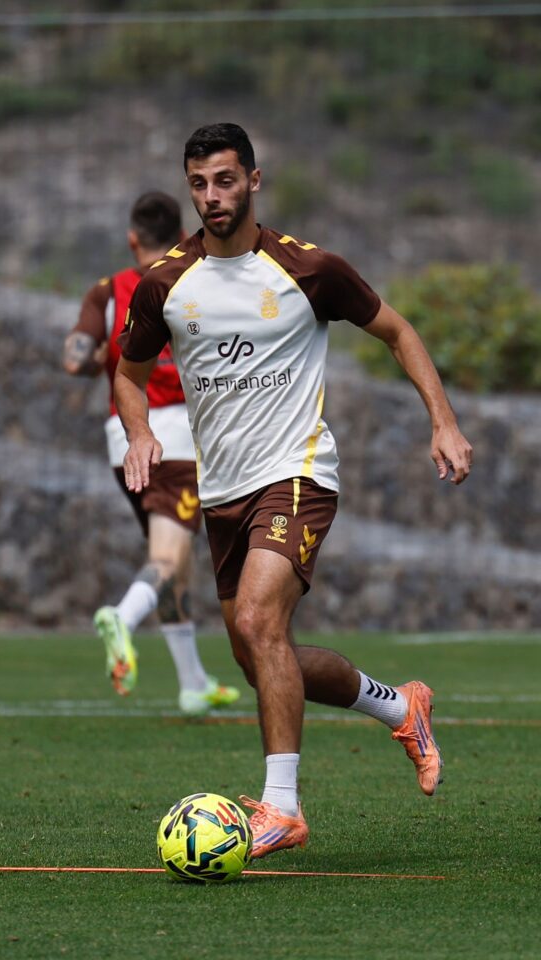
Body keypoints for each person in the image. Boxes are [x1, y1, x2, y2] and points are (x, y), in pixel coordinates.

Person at [114, 125, 473, 859]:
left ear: (254, 179)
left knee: (257, 620)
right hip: (223, 494)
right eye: (199, 184)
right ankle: (402, 707)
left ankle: (282, 809)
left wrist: (443, 420)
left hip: (298, 472)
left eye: (224, 180)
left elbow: (398, 332)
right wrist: (140, 432)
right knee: (257, 655)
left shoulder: (307, 268)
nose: (212, 197)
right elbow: (126, 372)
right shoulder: (166, 282)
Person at [63, 190, 239, 717]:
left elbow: (75, 357)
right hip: (177, 441)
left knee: (176, 563)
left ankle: (192, 682)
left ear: (132, 239)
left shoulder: (107, 290)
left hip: (123, 437)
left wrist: (94, 356)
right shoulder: (195, 278)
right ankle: (122, 616)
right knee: (167, 558)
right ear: (181, 232)